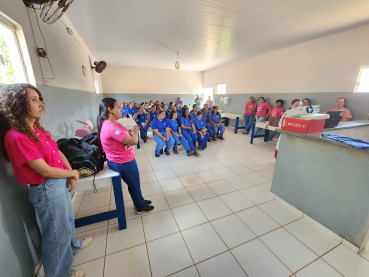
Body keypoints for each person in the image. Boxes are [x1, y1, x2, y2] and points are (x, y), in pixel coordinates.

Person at [0, 84, 93, 277]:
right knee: (56, 235)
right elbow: (45, 170)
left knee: (66, 224)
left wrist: (69, 171)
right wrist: (72, 174)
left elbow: (57, 152)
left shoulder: (36, 129)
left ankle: (73, 247)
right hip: (47, 188)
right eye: (34, 100)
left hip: (57, 183)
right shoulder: (17, 136)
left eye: (40, 98)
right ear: (18, 105)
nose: (41, 104)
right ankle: (61, 274)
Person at [97, 98, 154, 216]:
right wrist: (134, 130)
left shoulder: (113, 123)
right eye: (118, 107)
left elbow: (125, 136)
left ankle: (140, 201)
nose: (121, 109)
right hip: (122, 162)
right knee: (134, 184)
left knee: (135, 184)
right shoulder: (111, 127)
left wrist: (128, 139)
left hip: (123, 160)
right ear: (110, 110)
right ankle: (140, 207)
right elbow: (133, 139)